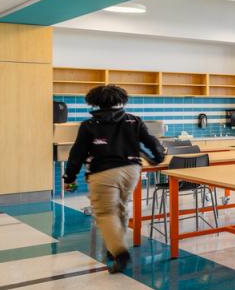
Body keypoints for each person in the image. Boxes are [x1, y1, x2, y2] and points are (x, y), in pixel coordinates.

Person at [63, 85, 166, 274]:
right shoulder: (133, 120)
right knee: (121, 208)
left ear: (95, 103)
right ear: (121, 100)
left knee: (105, 212)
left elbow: (77, 154)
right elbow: (152, 141)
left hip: (103, 173)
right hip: (131, 171)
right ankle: (114, 247)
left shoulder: (89, 125)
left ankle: (119, 252)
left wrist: (69, 177)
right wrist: (158, 157)